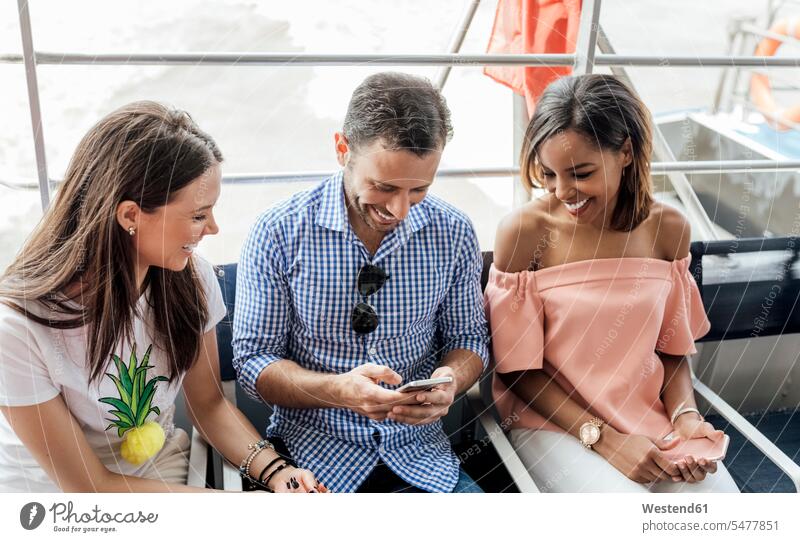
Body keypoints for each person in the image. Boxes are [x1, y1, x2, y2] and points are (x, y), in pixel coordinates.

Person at [0, 102, 322, 493]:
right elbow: (89, 488)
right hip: (54, 502)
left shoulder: (194, 278)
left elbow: (210, 405)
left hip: (159, 475)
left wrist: (276, 473)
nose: (214, 228)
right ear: (130, 216)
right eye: (199, 215)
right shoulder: (16, 328)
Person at [233, 72, 489, 493]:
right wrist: (339, 391)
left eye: (418, 190)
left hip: (421, 457)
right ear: (342, 149)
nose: (399, 209)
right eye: (383, 187)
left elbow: (469, 338)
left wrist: (450, 381)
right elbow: (253, 362)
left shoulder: (455, 231)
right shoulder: (278, 231)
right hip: (310, 458)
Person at [485, 74, 739, 492]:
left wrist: (685, 417)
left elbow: (672, 350)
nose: (563, 191)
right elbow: (516, 372)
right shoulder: (524, 232)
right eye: (548, 174)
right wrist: (604, 440)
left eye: (580, 173)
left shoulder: (669, 228)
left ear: (625, 152)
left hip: (649, 420)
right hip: (553, 425)